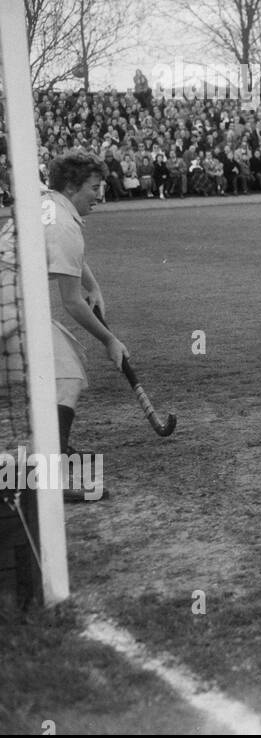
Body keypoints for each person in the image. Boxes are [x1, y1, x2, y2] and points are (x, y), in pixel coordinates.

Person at [1, 152, 128, 503]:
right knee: (65, 376)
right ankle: (46, 479)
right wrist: (110, 340)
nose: (99, 195)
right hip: (10, 307)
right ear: (72, 187)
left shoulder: (46, 203)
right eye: (94, 188)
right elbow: (71, 301)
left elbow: (69, 255)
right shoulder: (63, 222)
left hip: (13, 303)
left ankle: (47, 450)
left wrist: (94, 286)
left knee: (63, 362)